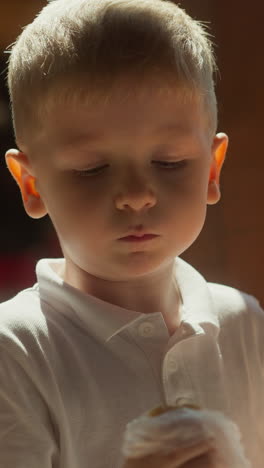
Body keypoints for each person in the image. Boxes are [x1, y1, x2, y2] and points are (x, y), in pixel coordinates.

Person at [1, 0, 263, 466]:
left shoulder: (245, 324)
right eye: (92, 169)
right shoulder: (16, 351)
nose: (137, 195)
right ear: (31, 184)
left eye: (169, 163)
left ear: (211, 170)